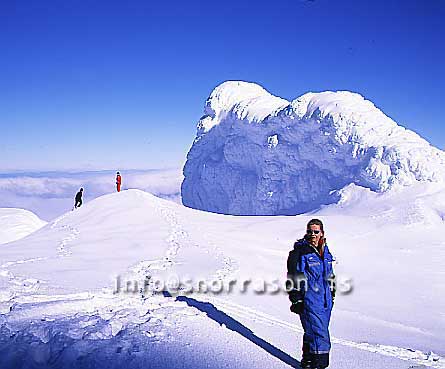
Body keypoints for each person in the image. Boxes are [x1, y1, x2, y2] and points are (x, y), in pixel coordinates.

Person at [286, 219, 336, 369]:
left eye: (316, 231)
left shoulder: (326, 252)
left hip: (326, 302)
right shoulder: (300, 253)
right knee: (321, 336)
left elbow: (330, 274)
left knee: (312, 331)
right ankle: (318, 365)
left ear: (322, 233)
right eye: (310, 231)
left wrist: (332, 292)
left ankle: (307, 362)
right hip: (310, 301)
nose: (312, 234)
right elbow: (293, 277)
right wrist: (296, 300)